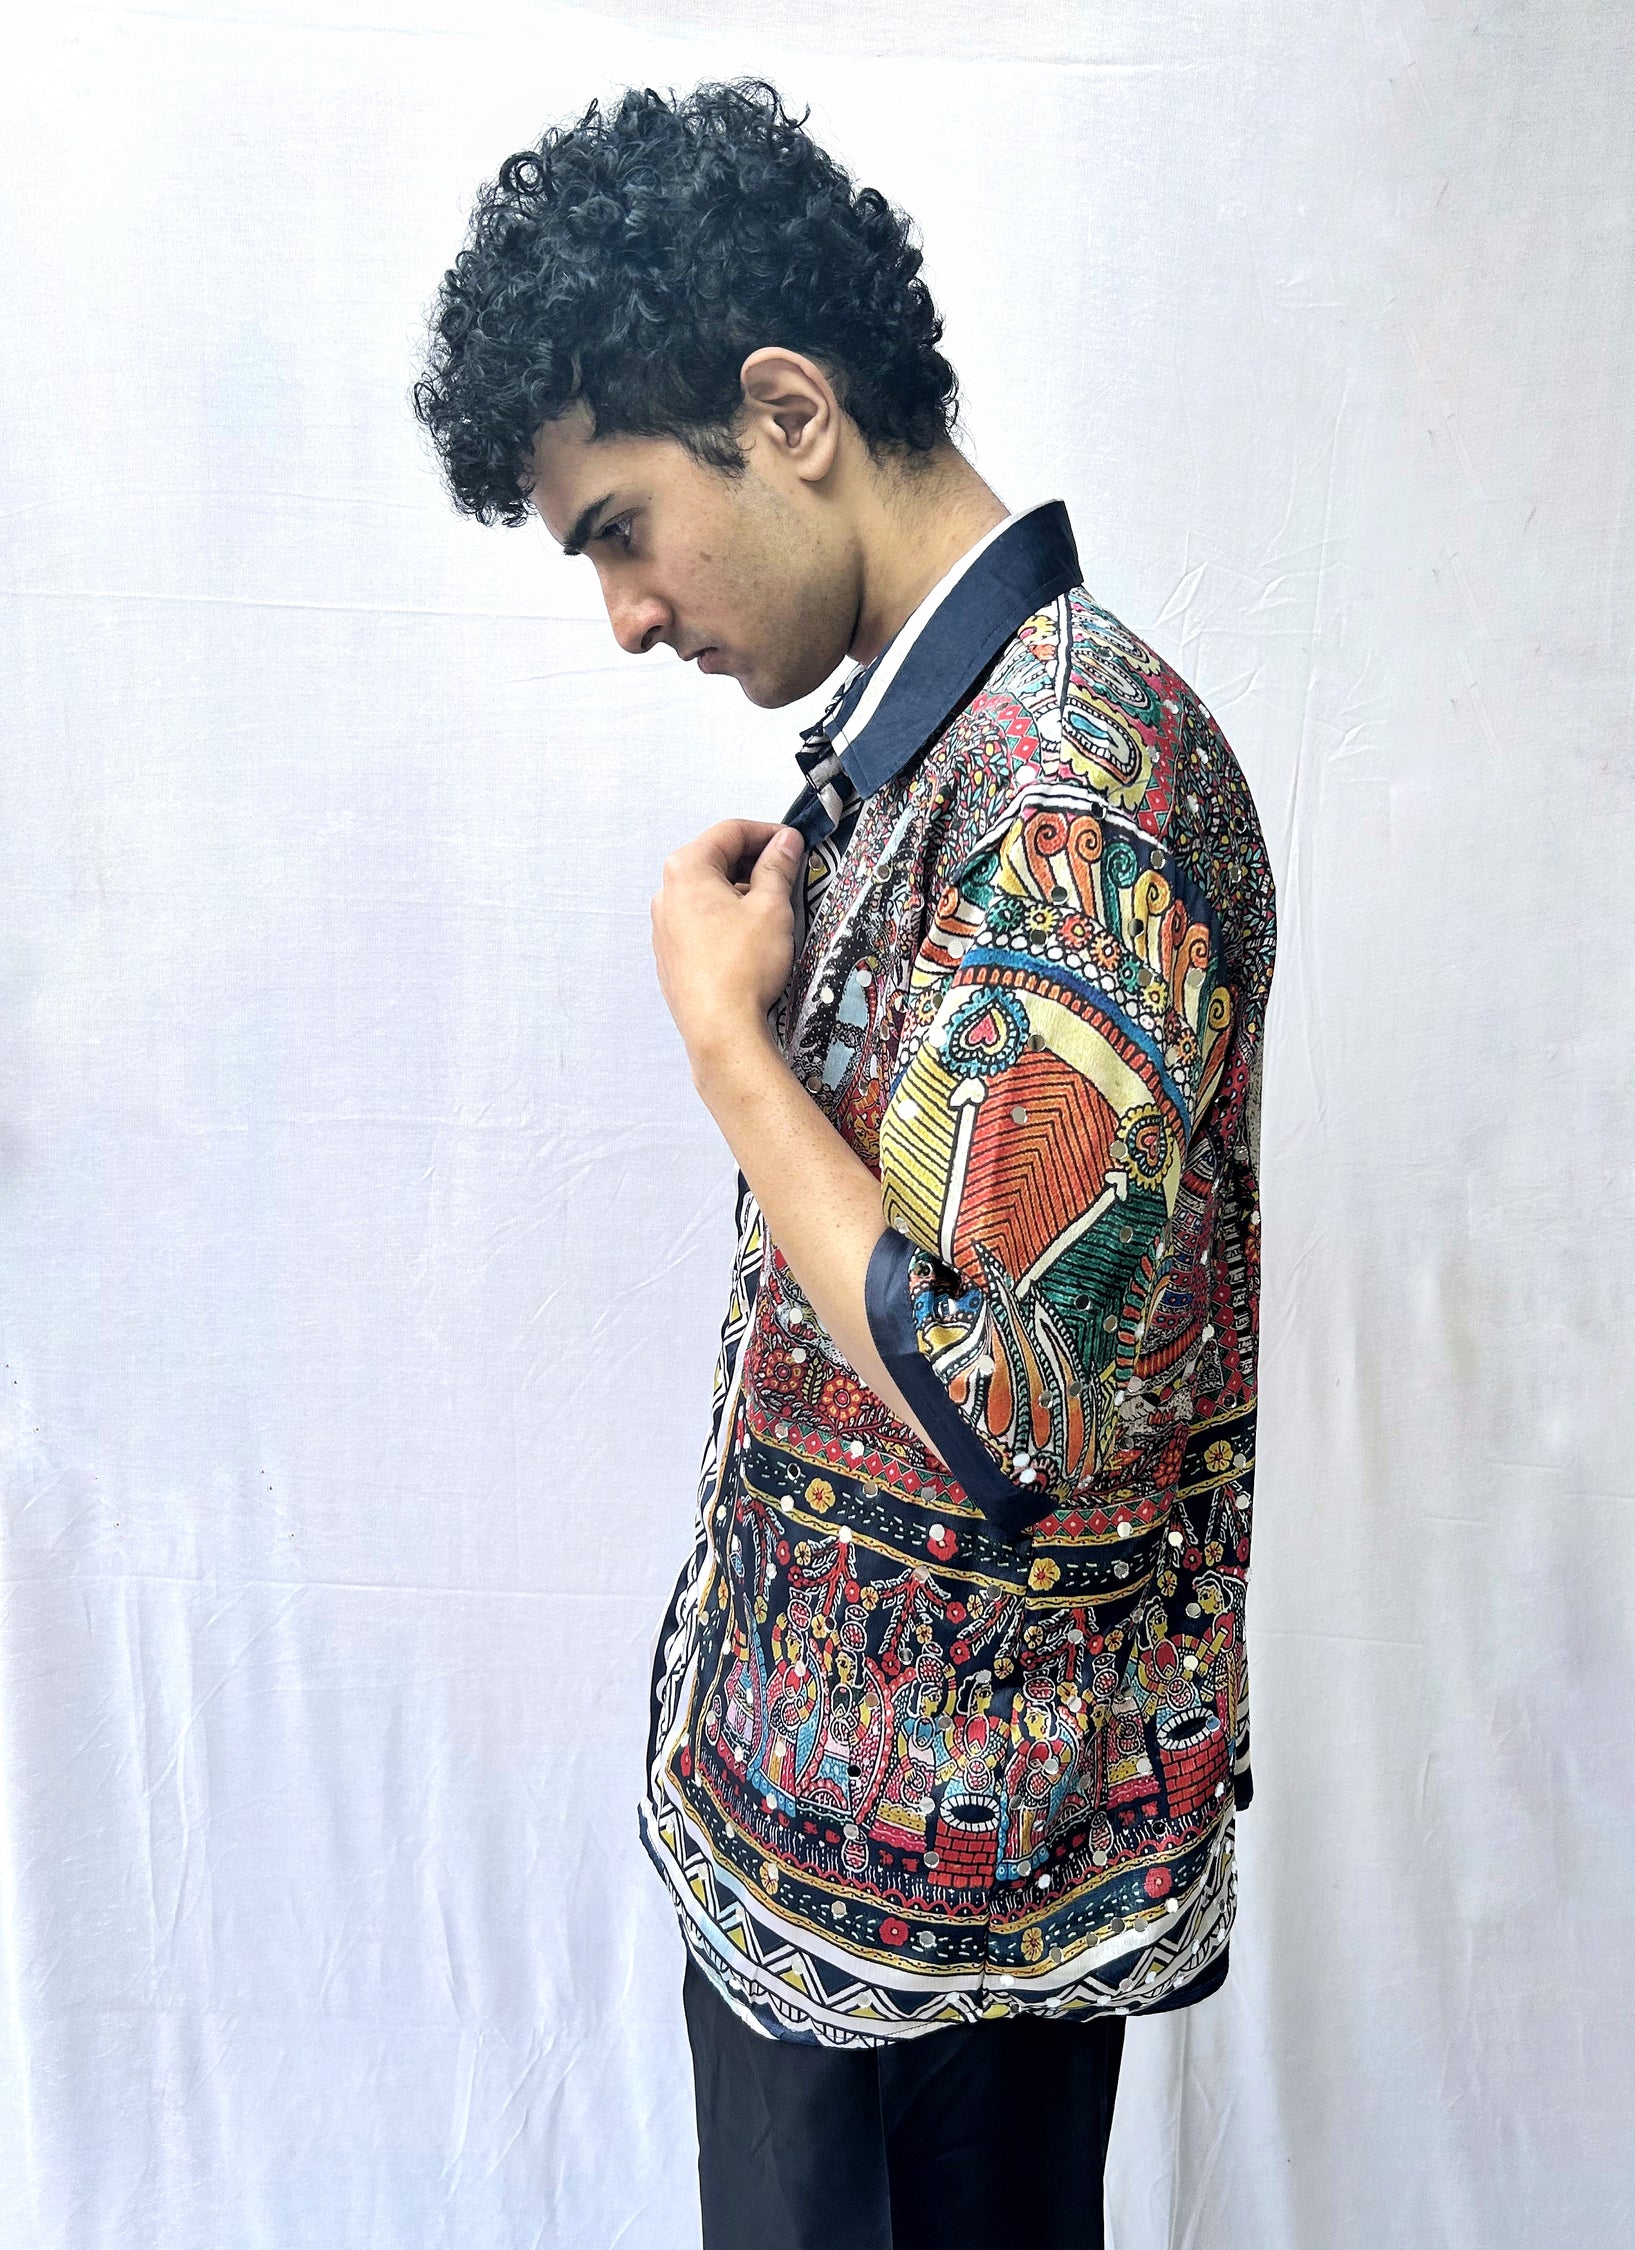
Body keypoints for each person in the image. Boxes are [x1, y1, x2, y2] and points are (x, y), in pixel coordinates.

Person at [413, 76, 1277, 2250]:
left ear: (788, 412)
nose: (626, 611)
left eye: (621, 526)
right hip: (829, 1872)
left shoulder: (1074, 781)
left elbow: (1003, 1397)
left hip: (952, 1928)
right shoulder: (931, 745)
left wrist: (727, 1046)